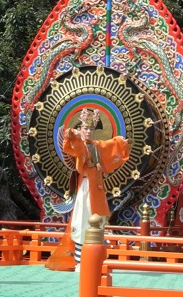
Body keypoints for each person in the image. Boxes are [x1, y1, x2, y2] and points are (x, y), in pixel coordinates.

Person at [46, 107, 130, 271]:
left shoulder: (98, 145)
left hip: (97, 188)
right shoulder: (80, 145)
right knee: (82, 222)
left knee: (98, 224)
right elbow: (69, 146)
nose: (89, 131)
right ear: (80, 129)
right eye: (85, 128)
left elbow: (113, 145)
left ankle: (95, 261)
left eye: (92, 128)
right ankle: (79, 262)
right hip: (85, 187)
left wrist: (123, 142)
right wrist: (72, 133)